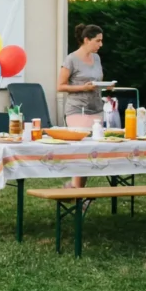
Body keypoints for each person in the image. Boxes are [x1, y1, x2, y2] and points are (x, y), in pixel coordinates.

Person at [58, 24, 108, 190]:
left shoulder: (97, 58)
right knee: (83, 150)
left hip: (96, 109)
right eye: (98, 41)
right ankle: (77, 192)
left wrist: (106, 86)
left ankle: (74, 188)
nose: (101, 44)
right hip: (77, 110)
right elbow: (60, 86)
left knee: (92, 152)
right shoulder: (71, 59)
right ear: (86, 40)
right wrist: (82, 88)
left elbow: (96, 81)